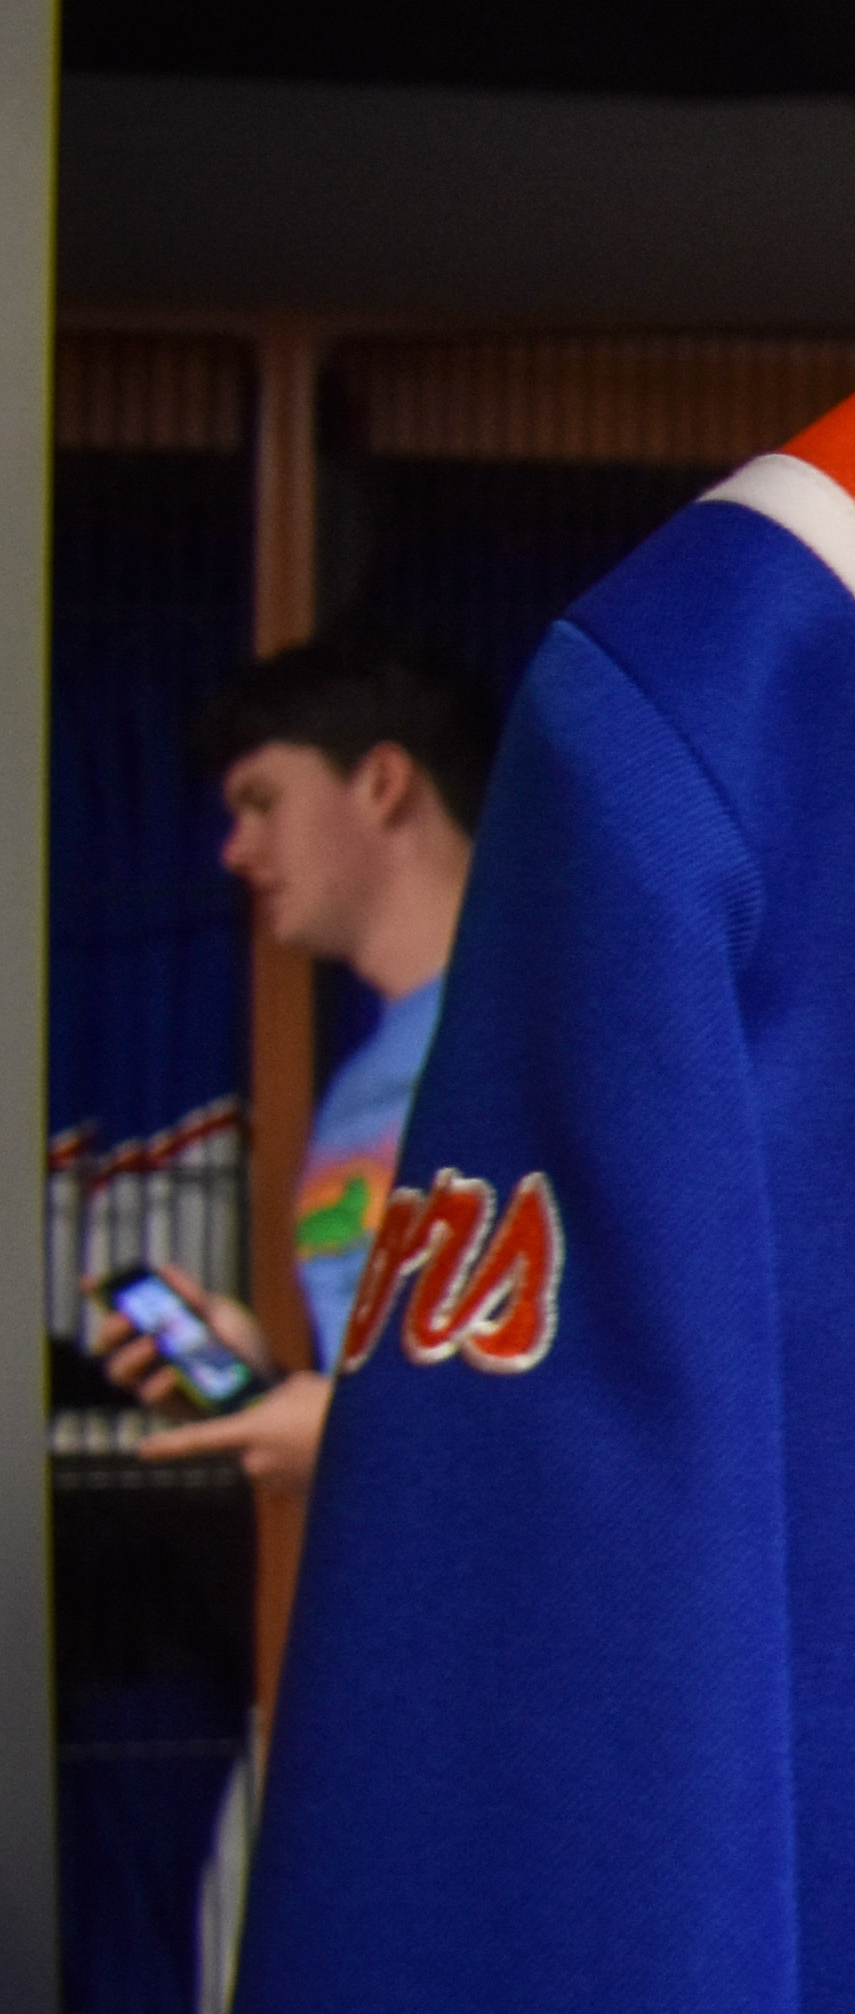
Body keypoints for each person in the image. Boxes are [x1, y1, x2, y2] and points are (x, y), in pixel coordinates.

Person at [98, 635, 492, 1493]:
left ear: (384, 783)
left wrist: (367, 1437)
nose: (235, 850)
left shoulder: (561, 1023)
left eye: (262, 801)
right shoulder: (355, 1091)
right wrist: (273, 1390)